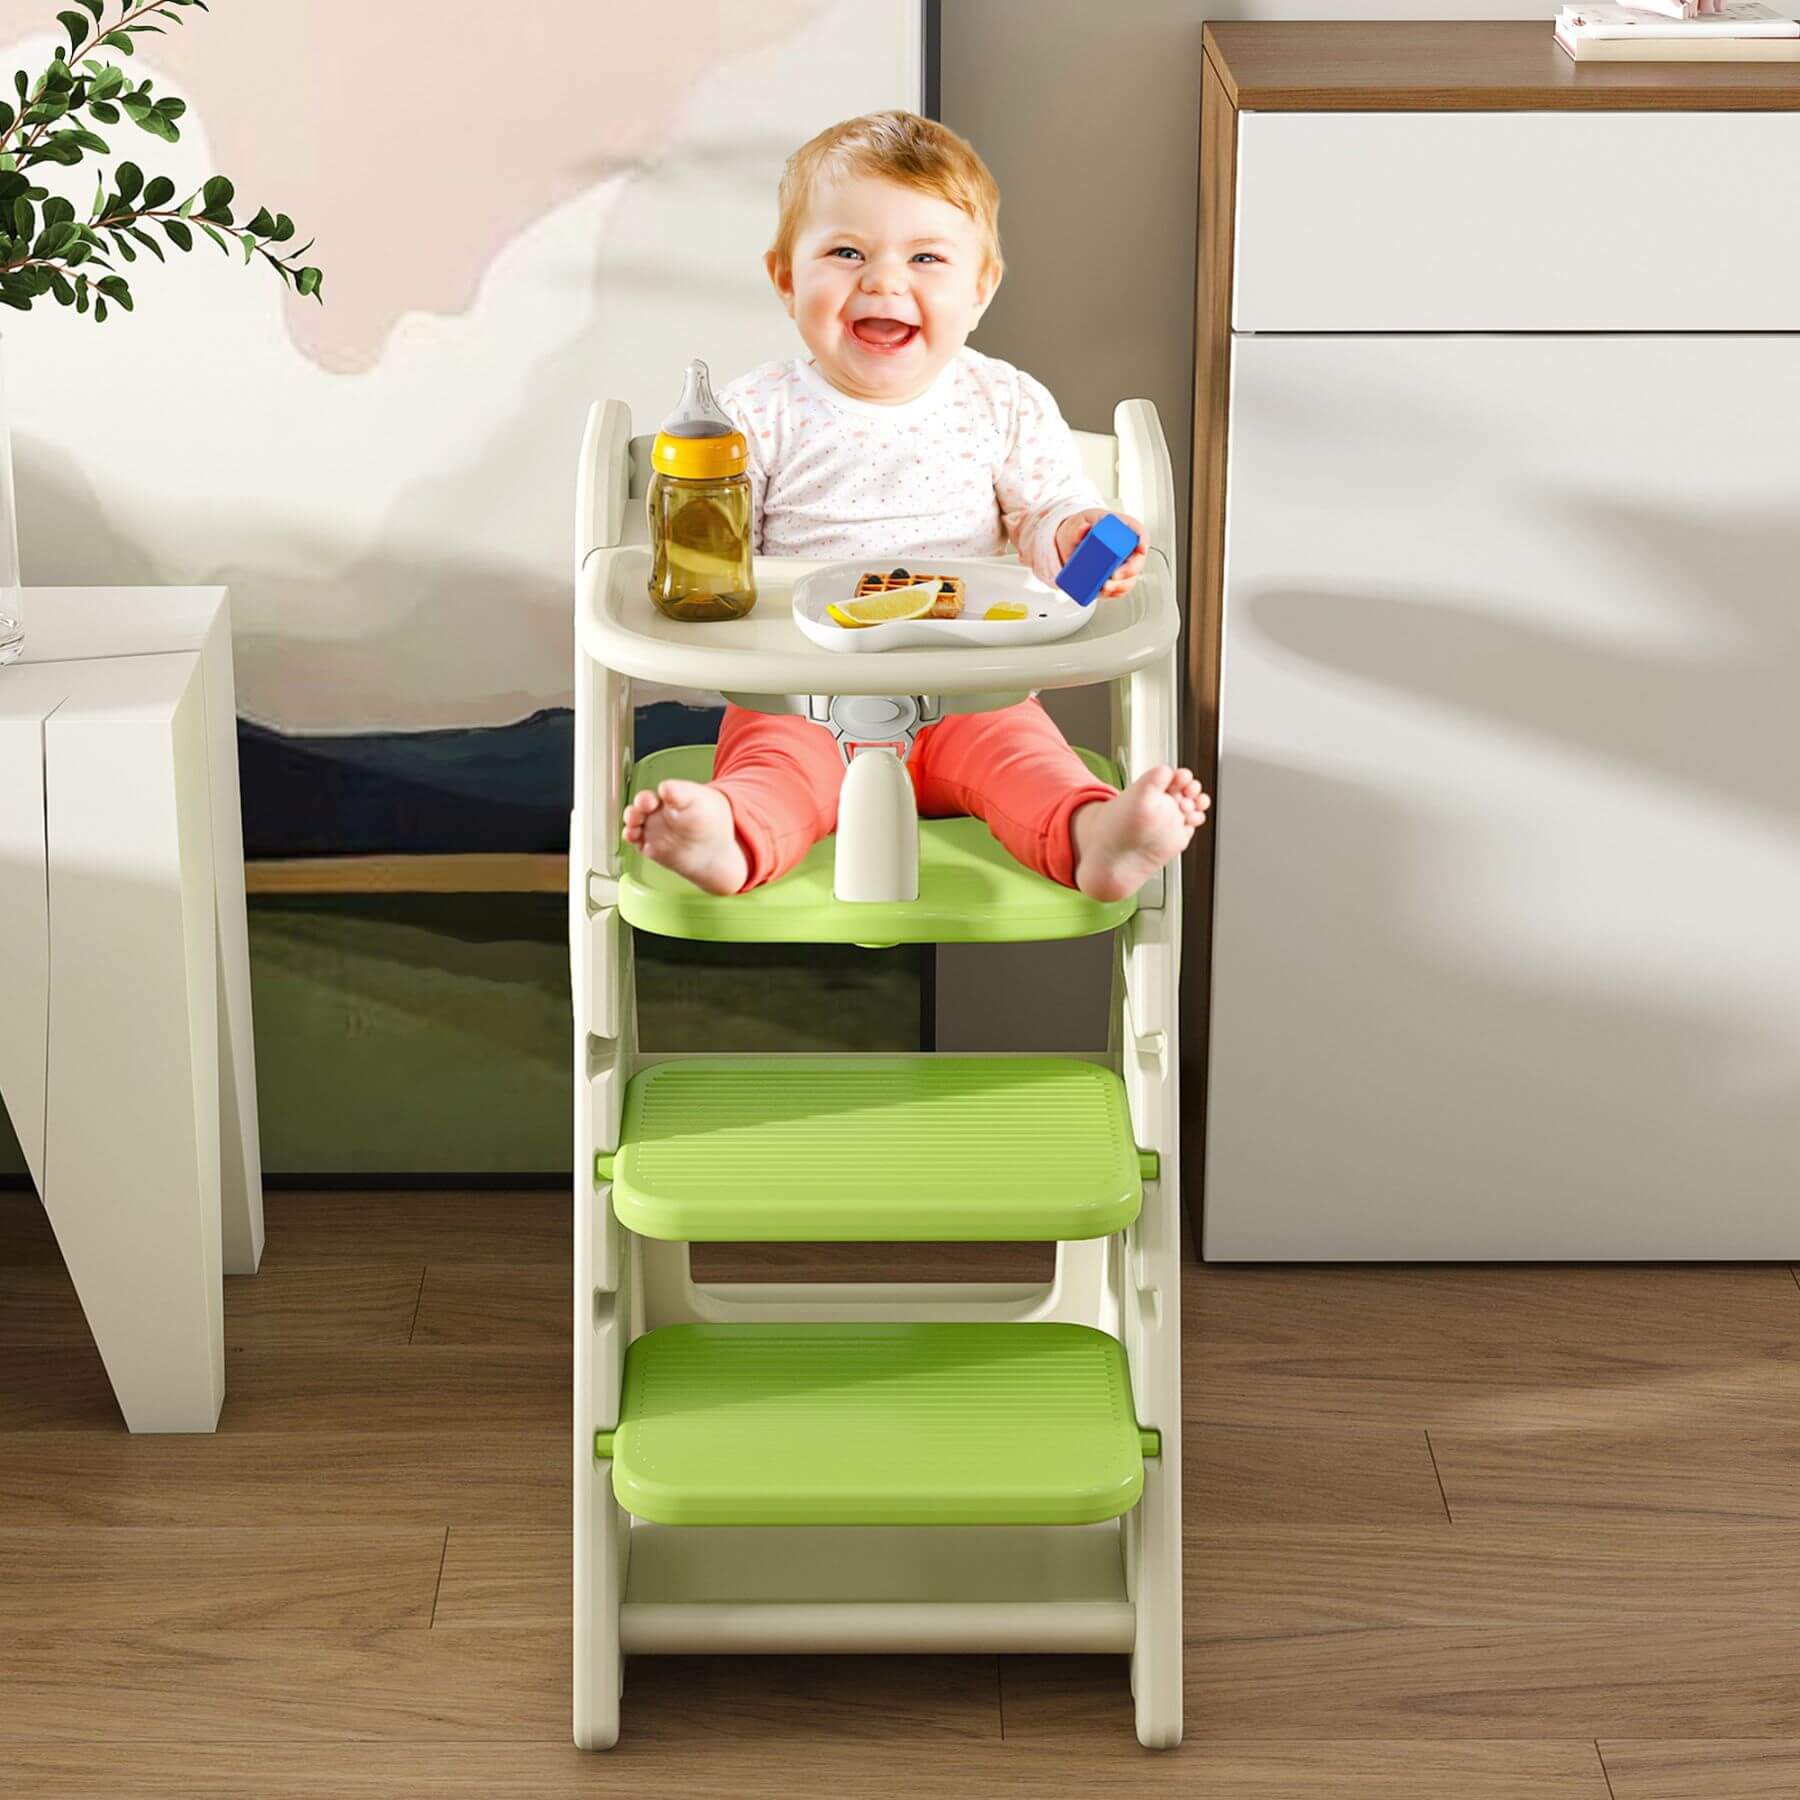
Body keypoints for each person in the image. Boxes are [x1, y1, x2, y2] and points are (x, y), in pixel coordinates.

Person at [623, 110, 1208, 901]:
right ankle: (724, 834)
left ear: (981, 286)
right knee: (776, 772)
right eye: (846, 253)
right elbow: (716, 560)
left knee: (1029, 769)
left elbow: (1046, 514)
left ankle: (1096, 837)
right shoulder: (753, 414)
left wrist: (1078, 537)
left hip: (976, 695)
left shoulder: (1002, 400)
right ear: (787, 279)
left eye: (926, 257)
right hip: (805, 697)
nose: (884, 281)